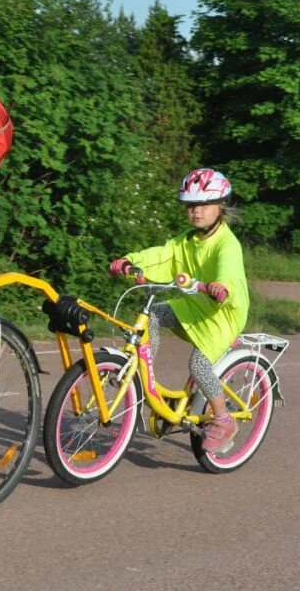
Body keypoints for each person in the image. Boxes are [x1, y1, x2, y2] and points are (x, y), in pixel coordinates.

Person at [108, 168, 249, 453]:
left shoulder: (226, 244)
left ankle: (223, 419)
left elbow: (229, 274)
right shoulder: (186, 239)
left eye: (203, 205)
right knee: (154, 315)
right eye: (190, 205)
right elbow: (162, 255)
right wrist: (130, 261)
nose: (196, 211)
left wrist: (222, 287)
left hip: (220, 315)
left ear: (220, 205)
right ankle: (144, 375)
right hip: (193, 306)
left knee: (198, 365)